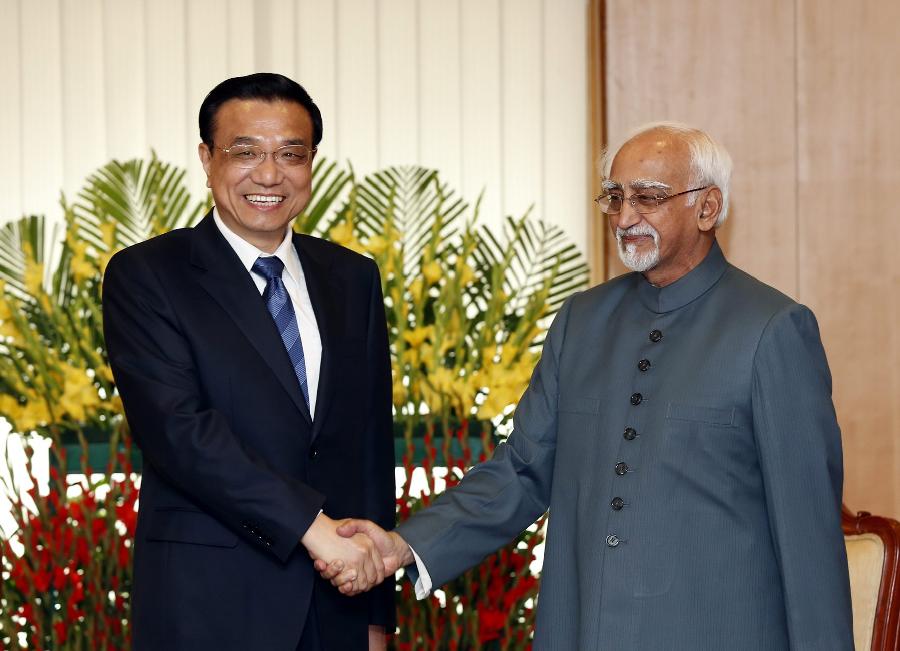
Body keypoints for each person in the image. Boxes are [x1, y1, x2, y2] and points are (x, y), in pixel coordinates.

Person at [319, 122, 854, 649]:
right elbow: (522, 470)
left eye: (647, 197)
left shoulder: (773, 329)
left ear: (707, 208)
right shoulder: (581, 321)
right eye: (614, 197)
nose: (625, 217)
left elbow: (807, 540)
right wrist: (403, 546)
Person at [103, 73, 395, 651]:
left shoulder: (352, 277)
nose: (269, 175)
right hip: (208, 603)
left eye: (292, 154)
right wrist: (316, 531)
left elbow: (368, 447)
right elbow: (181, 433)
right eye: (245, 153)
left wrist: (375, 617)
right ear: (207, 160)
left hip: (336, 600)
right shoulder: (149, 275)